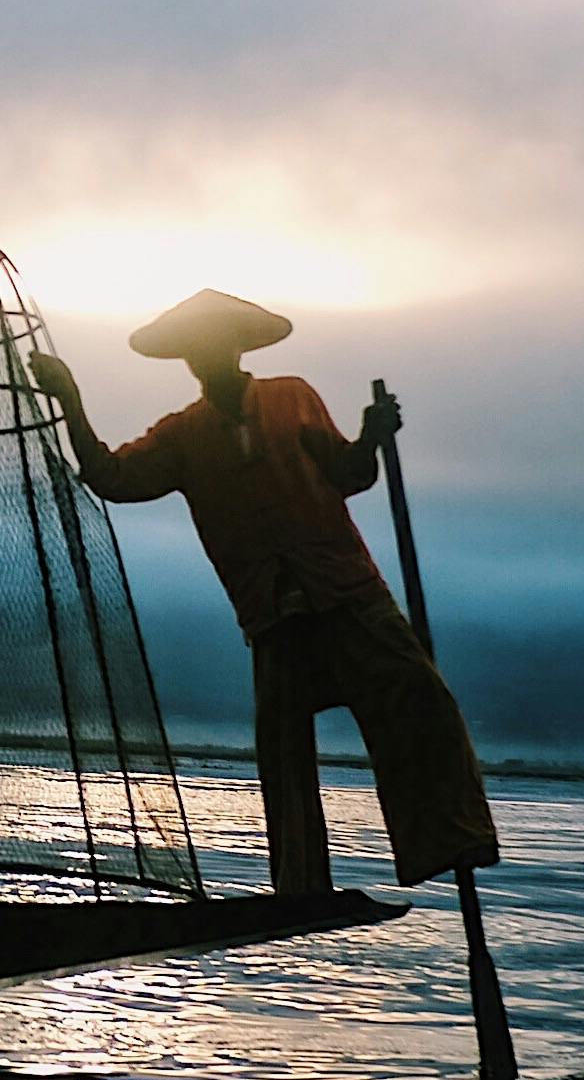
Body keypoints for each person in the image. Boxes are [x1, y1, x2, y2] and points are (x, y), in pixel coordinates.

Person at [32, 289, 501, 895]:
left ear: (235, 347)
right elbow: (111, 477)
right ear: (188, 361)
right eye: (195, 351)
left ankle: (448, 839)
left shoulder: (292, 397)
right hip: (273, 613)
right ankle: (300, 885)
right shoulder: (181, 436)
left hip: (348, 591)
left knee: (421, 701)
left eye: (214, 345)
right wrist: (70, 398)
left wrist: (369, 437)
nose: (205, 358)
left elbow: (349, 474)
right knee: (284, 757)